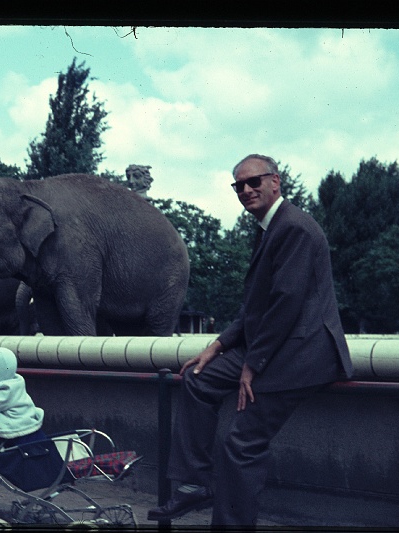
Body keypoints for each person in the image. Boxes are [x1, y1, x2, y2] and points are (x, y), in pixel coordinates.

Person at [147, 154, 353, 527]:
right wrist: (217, 346)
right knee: (197, 376)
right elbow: (256, 307)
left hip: (300, 356)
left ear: (276, 181)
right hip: (276, 349)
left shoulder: (294, 228)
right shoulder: (269, 229)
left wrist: (251, 366)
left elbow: (285, 305)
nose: (245, 190)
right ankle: (194, 484)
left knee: (240, 446)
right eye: (238, 185)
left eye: (253, 182)